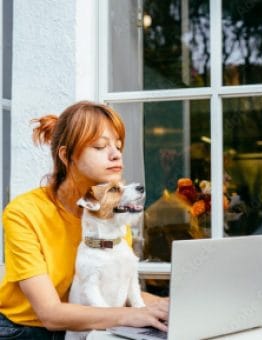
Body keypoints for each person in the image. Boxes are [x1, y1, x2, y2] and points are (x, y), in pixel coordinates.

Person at [0, 101, 169, 339]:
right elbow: (50, 313)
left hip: (86, 326)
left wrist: (164, 304)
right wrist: (130, 314)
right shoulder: (24, 213)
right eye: (100, 147)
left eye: (118, 146)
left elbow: (113, 285)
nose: (116, 154)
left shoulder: (115, 213)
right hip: (25, 330)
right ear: (67, 156)